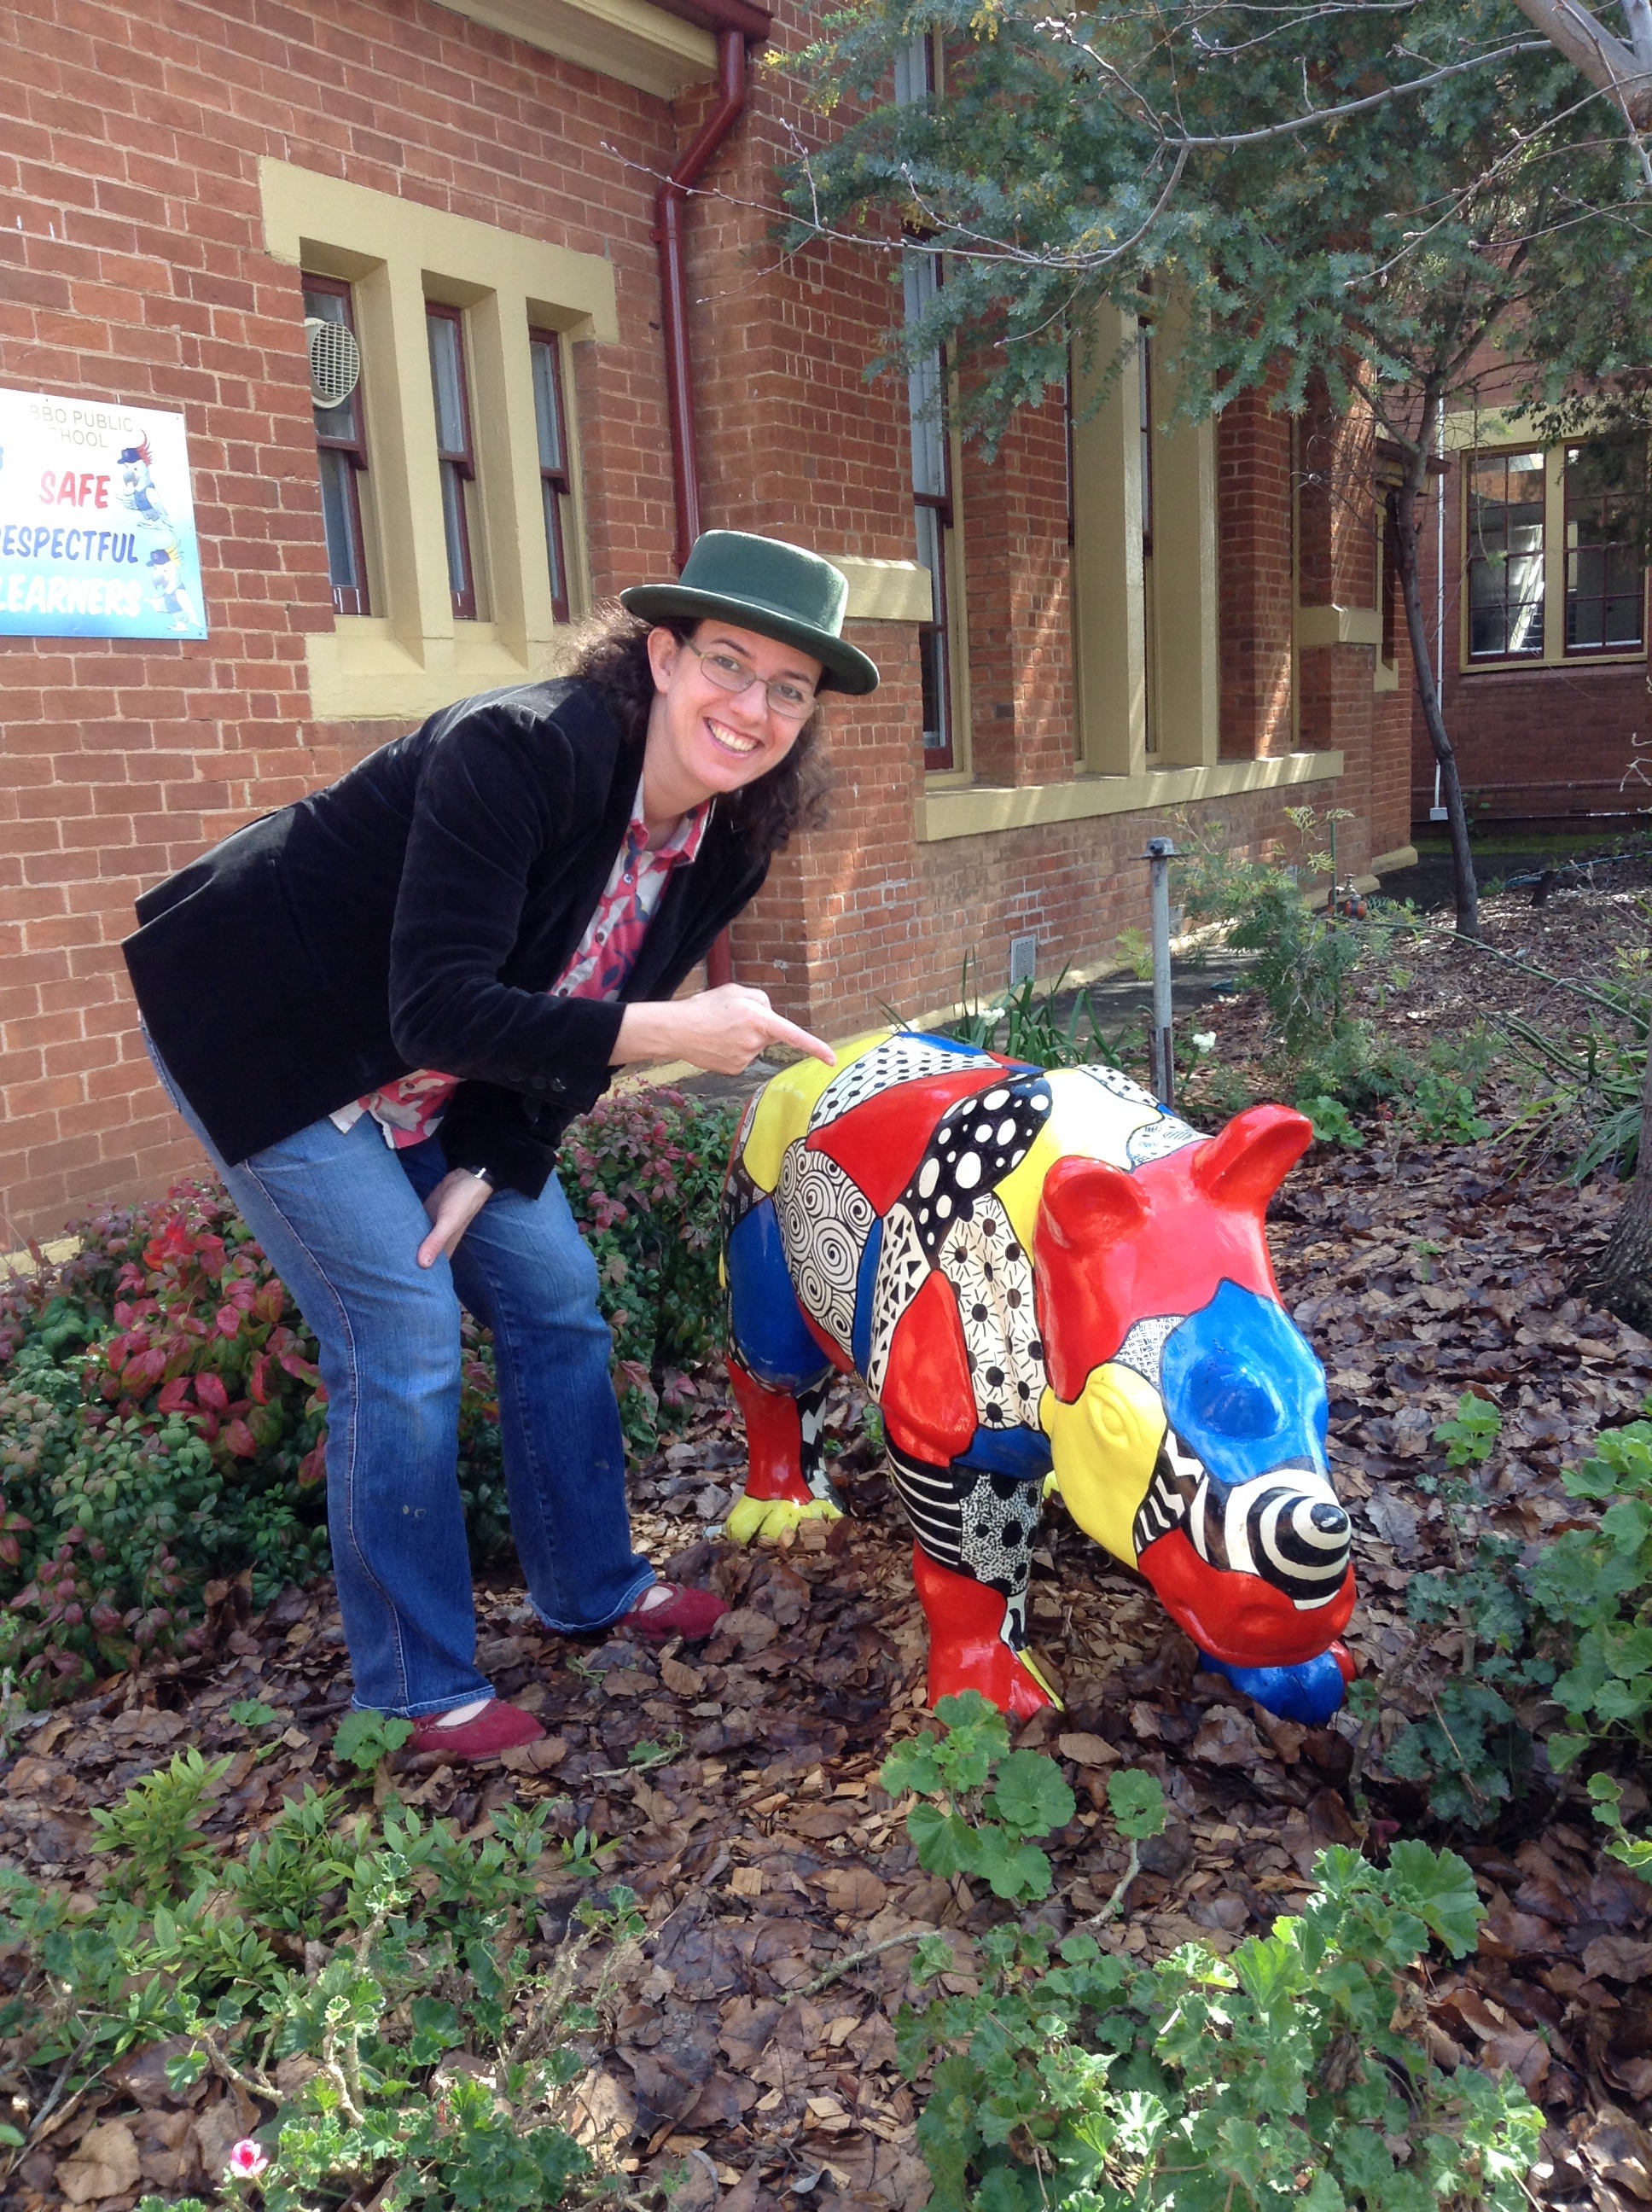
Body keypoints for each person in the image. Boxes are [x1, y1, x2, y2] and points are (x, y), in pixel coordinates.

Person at [123, 530, 880, 1762]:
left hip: (439, 1071)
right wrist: (674, 1030)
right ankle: (415, 1692)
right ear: (662, 655)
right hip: (277, 1027)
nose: (751, 709)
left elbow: (566, 1008)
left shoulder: (728, 839)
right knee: (403, 1329)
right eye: (728, 664)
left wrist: (488, 1157)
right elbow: (446, 1003)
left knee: (556, 1293)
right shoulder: (519, 751)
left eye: (788, 690)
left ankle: (592, 1587)